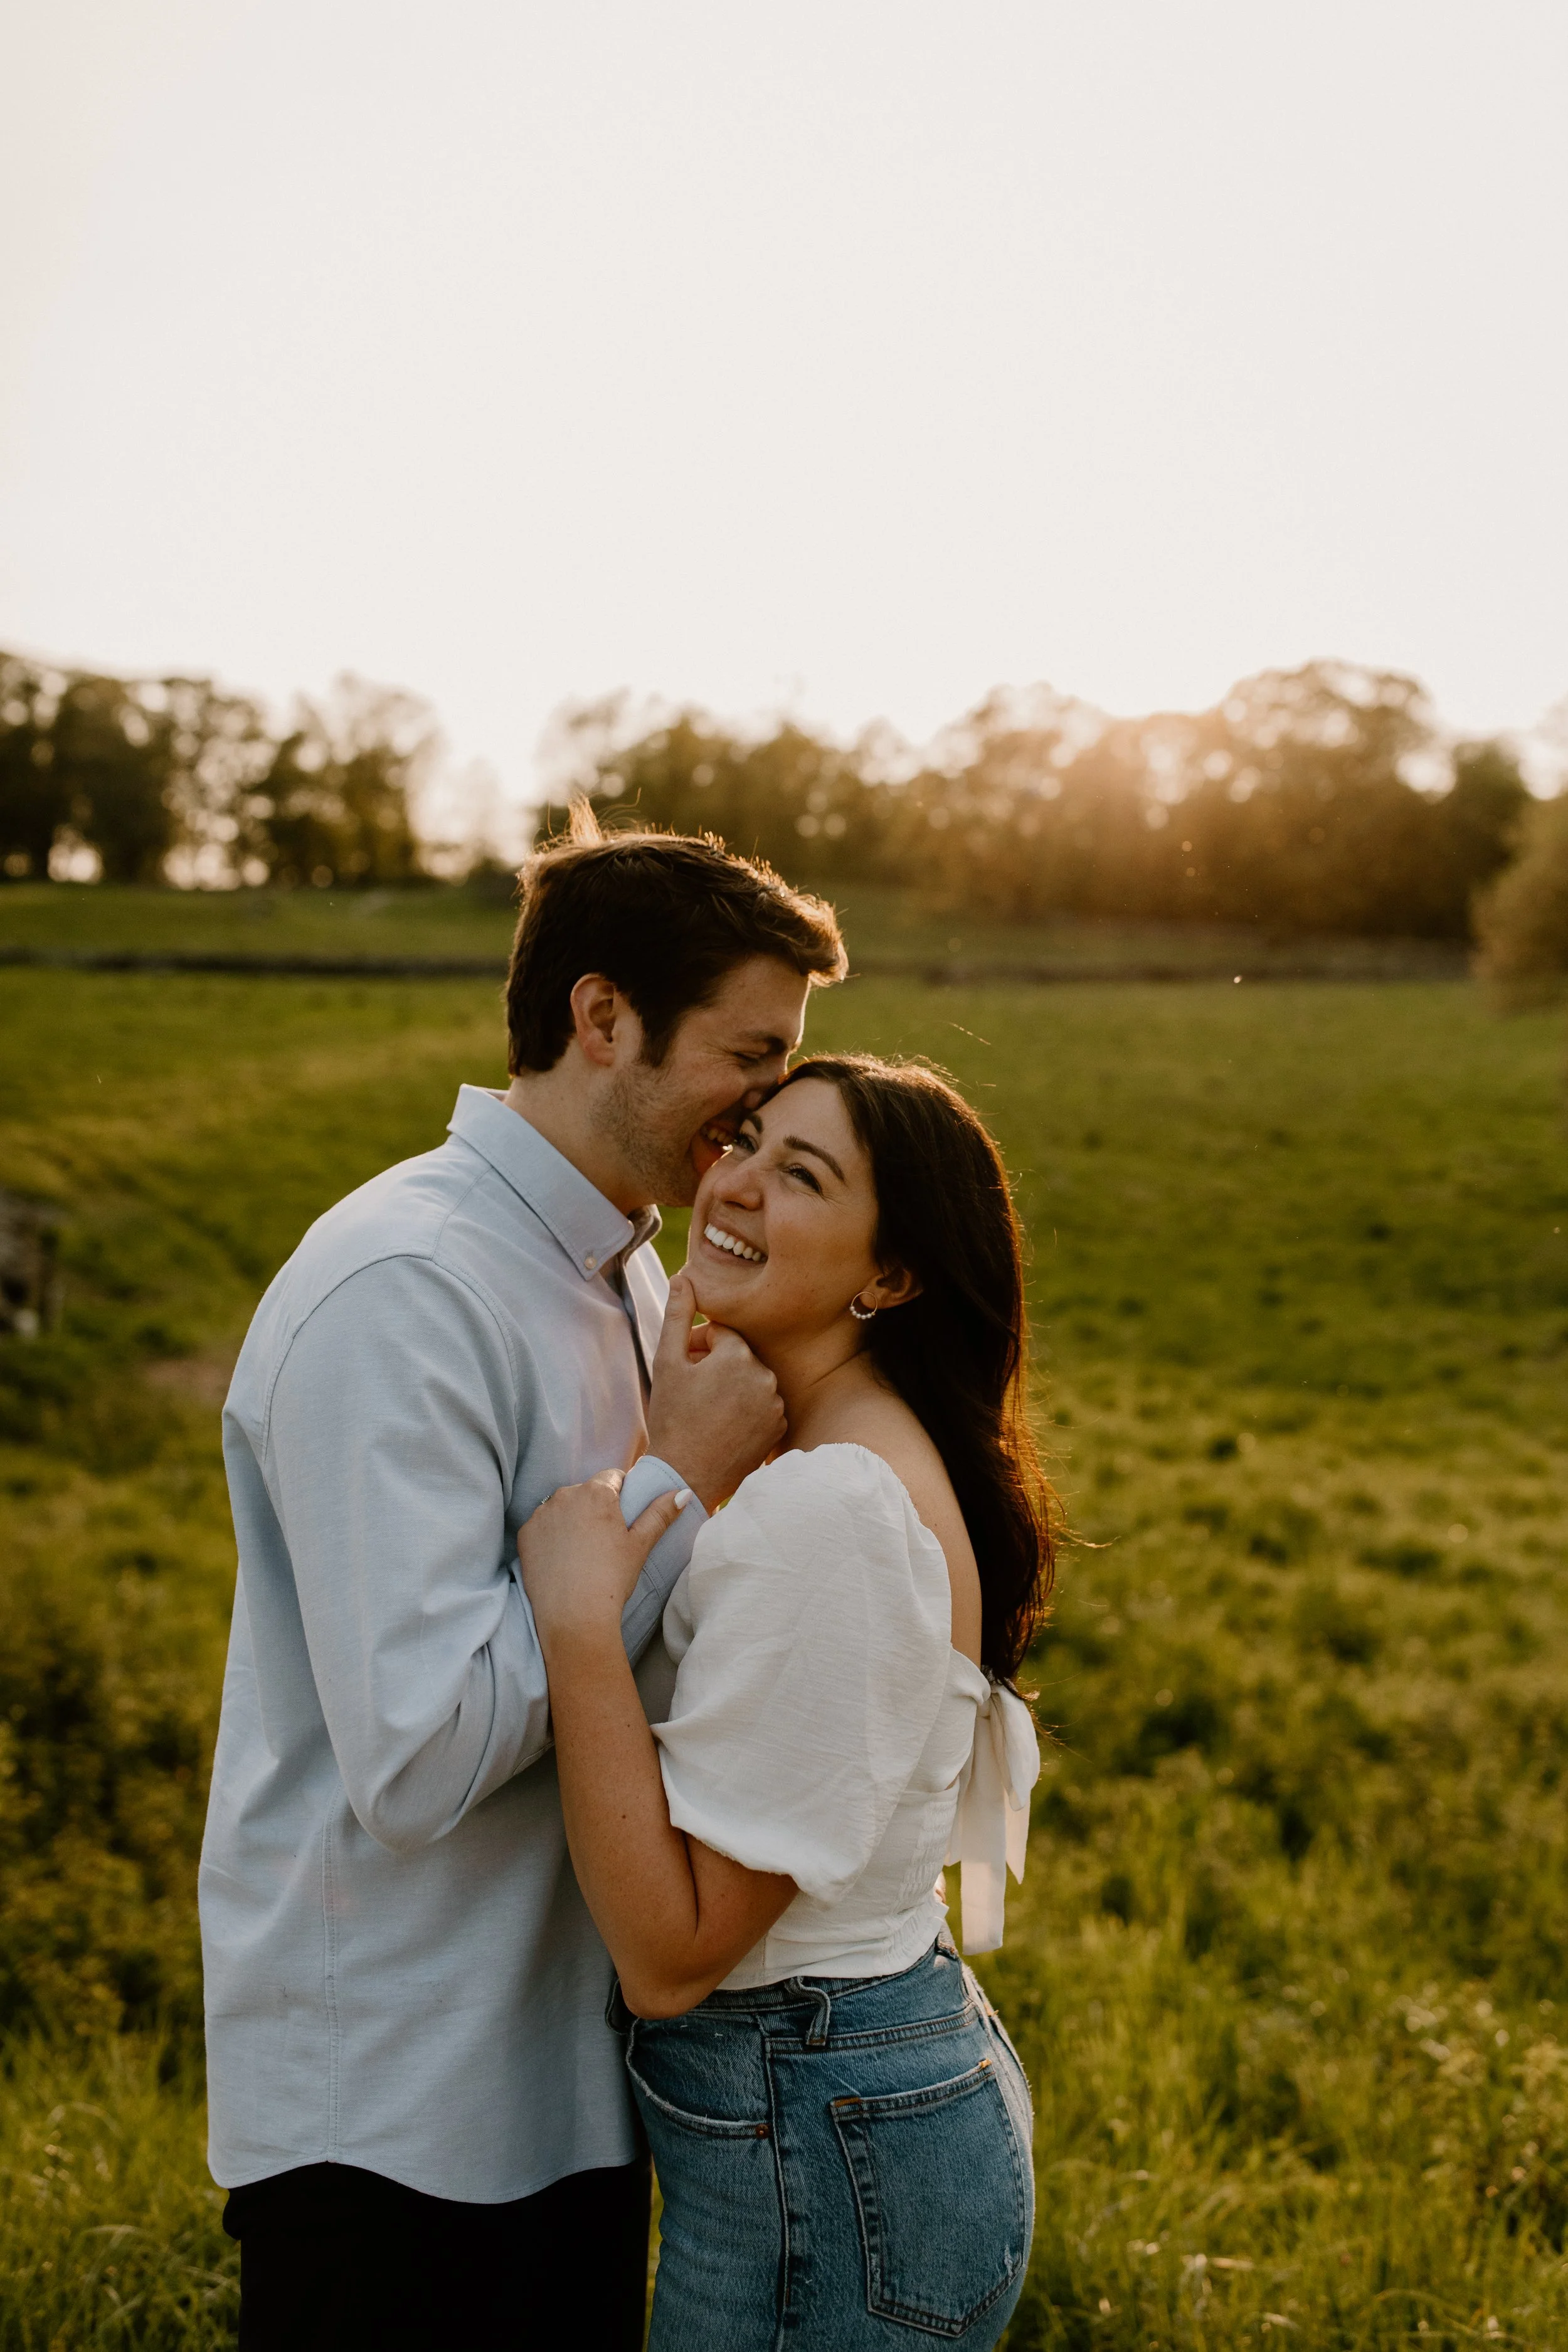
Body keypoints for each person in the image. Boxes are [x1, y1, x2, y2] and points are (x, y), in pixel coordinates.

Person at [199, 820, 846, 2349]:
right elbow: (417, 1761)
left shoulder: (622, 1269)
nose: (762, 1112)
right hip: (396, 2121)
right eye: (749, 1059)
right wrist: (674, 1488)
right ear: (602, 1017)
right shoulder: (402, 1290)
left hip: (568, 2090)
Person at [520, 1053, 1055, 2351]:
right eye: (745, 1138)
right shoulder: (838, 1451)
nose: (734, 1182)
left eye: (799, 1173)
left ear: (887, 1278)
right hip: (859, 2104)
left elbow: (672, 1952)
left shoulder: (831, 1508)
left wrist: (581, 1620)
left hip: (822, 2139)